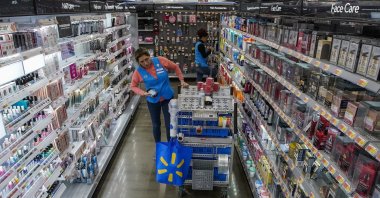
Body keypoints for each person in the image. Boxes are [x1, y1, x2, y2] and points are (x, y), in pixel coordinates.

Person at [131, 48, 189, 143]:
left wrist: (182, 80)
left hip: (168, 98)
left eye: (146, 59)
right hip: (153, 101)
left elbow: (175, 67)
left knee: (169, 123)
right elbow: (133, 86)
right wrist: (144, 93)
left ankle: (170, 145)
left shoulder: (160, 60)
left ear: (149, 56)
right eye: (142, 61)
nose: (145, 63)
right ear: (138, 62)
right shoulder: (138, 72)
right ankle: (159, 146)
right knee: (156, 125)